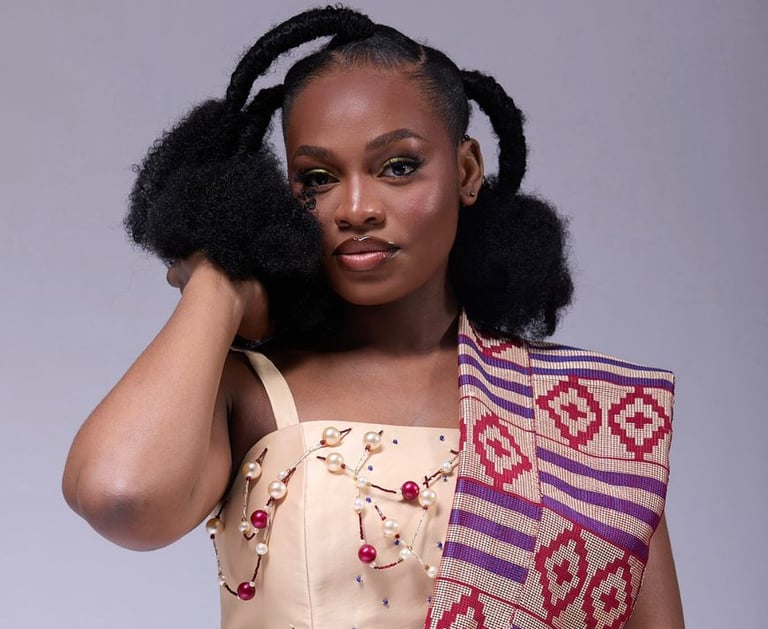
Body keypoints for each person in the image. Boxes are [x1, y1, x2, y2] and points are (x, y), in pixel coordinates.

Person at [62, 7, 684, 628]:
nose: (356, 208)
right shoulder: (247, 392)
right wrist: (217, 283)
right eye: (318, 178)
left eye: (398, 167)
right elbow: (120, 497)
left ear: (467, 171)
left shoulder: (593, 422)